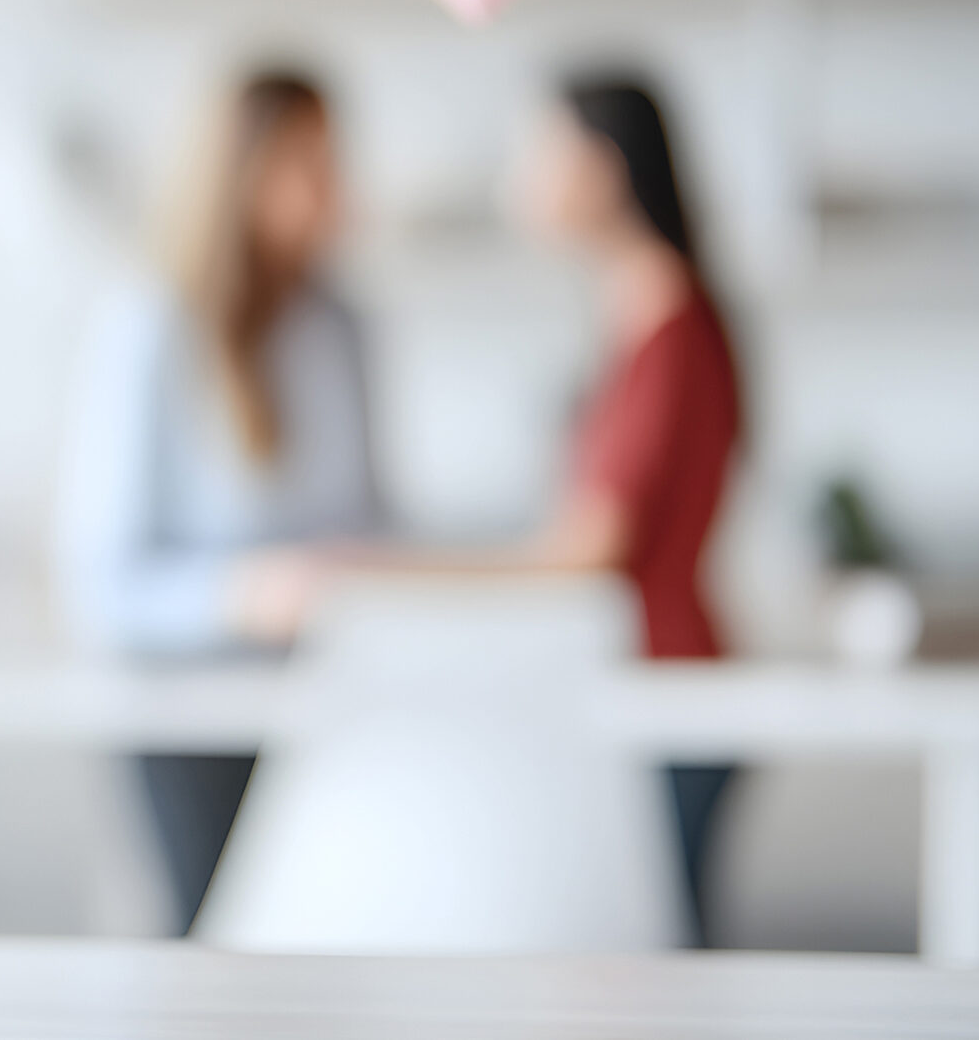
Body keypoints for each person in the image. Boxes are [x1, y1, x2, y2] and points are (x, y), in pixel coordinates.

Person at [281, 76, 745, 948]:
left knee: (667, 972)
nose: (520, 179)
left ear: (601, 171)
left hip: (666, 684)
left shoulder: (671, 330)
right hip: (645, 682)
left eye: (541, 153)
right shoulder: (640, 320)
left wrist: (387, 574)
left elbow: (586, 553)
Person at [57, 71, 382, 938]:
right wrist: (239, 595)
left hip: (325, 711)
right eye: (303, 164)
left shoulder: (342, 327)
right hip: (189, 715)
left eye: (333, 163)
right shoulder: (151, 326)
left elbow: (378, 518)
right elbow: (98, 586)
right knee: (210, 956)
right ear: (241, 174)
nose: (330, 190)